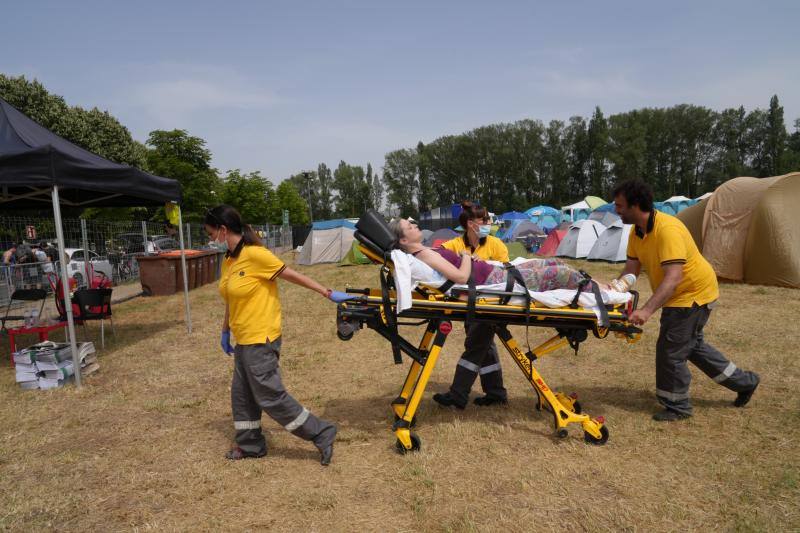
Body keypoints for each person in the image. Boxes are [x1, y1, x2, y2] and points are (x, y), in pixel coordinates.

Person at [205, 205, 352, 465]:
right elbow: (230, 297)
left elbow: (292, 275)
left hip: (261, 338)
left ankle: (321, 432)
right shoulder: (229, 260)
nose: (210, 239)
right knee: (242, 395)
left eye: (210, 232)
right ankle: (251, 445)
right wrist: (225, 330)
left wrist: (326, 292)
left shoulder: (256, 255)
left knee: (269, 396)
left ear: (223, 230)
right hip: (243, 340)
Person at [613, 179, 759, 421]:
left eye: (620, 206)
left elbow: (672, 278)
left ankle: (677, 406)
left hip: (692, 295)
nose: (616, 211)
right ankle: (745, 383)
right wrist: (615, 290)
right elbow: (631, 268)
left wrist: (647, 311)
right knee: (692, 346)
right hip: (682, 294)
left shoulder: (667, 230)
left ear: (636, 205)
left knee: (670, 350)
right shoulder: (636, 231)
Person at [389, 217, 603, 294]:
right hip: (492, 280)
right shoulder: (424, 254)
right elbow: (461, 278)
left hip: (493, 271)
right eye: (410, 226)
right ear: (404, 241)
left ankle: (601, 285)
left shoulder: (427, 250)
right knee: (562, 274)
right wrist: (465, 255)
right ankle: (606, 292)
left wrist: (469, 259)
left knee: (553, 262)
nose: (415, 225)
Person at [435, 201, 511, 409]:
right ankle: (495, 393)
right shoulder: (455, 245)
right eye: (484, 220)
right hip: (468, 306)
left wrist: (487, 264)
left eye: (487, 219)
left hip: (490, 306)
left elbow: (506, 272)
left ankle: (458, 394)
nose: (488, 223)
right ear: (470, 224)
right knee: (484, 347)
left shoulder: (496, 245)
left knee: (476, 346)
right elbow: (437, 256)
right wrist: (462, 259)